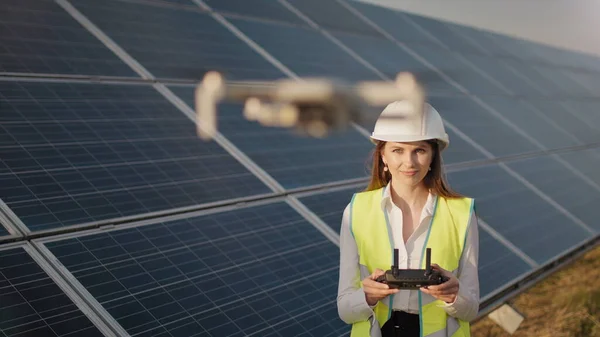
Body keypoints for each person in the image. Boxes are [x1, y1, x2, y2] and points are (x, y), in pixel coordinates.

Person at [337, 100, 480, 337]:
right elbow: (345, 309)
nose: (409, 162)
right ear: (382, 155)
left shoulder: (462, 213)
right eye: (397, 150)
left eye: (420, 150)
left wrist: (455, 295)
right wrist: (368, 296)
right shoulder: (356, 211)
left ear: (433, 155)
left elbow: (471, 309)